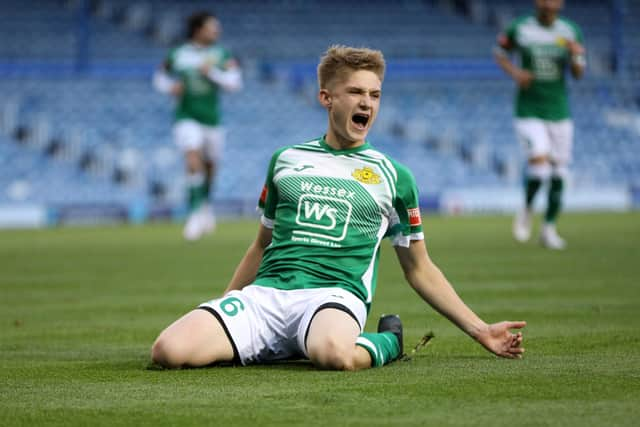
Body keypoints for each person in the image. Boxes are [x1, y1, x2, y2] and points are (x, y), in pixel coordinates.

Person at [151, 46, 525, 371]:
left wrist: (480, 330)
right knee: (169, 350)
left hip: (334, 296)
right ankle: (286, 343)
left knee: (333, 354)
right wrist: (227, 301)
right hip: (267, 295)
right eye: (355, 92)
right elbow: (261, 245)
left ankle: (387, 342)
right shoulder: (286, 160)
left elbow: (420, 267)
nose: (367, 103)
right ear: (326, 97)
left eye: (375, 95)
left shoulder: (395, 176)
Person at [494, 0, 586, 250]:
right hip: (528, 109)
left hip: (559, 110)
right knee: (540, 164)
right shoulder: (520, 28)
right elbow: (500, 52)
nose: (549, 4)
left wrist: (578, 55)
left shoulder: (570, 31)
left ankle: (548, 229)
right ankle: (526, 209)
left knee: (559, 172)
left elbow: (578, 74)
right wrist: (516, 73)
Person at [153, 11, 242, 241]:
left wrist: (211, 73)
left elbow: (234, 83)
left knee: (211, 167)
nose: (217, 31)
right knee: (193, 159)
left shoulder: (221, 53)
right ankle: (193, 214)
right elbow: (159, 77)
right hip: (185, 116)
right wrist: (169, 88)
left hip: (212, 119)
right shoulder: (178, 54)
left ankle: (204, 205)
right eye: (213, 27)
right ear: (198, 30)